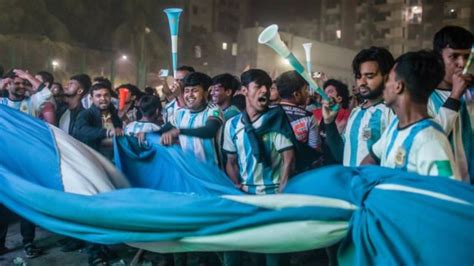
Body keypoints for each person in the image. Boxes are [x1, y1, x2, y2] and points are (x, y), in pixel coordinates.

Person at [362, 50, 460, 180]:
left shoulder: (430, 140)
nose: (383, 86)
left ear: (398, 86)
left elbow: (449, 192)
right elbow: (370, 159)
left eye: (388, 79)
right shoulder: (394, 126)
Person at [322, 47, 394, 166]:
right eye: (358, 76)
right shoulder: (356, 112)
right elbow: (340, 154)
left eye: (369, 76)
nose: (362, 82)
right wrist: (329, 122)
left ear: (387, 77)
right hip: (351, 183)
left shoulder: (391, 112)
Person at [429, 26, 473, 182]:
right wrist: (455, 95)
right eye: (454, 56)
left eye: (467, 57)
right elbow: (431, 138)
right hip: (448, 186)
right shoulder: (425, 97)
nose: (462, 63)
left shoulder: (472, 93)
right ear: (439, 59)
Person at [161, 72, 224, 166]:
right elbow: (162, 130)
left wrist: (179, 131)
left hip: (212, 175)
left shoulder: (213, 110)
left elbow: (209, 131)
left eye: (195, 90)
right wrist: (145, 133)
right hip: (189, 174)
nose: (190, 95)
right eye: (186, 91)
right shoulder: (180, 114)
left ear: (207, 92)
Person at [276, 70, 321, 154]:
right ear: (296, 94)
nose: (308, 93)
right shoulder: (308, 117)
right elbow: (315, 150)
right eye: (305, 90)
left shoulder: (269, 111)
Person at [74, 82, 123, 158]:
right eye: (98, 96)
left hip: (115, 158)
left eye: (106, 95)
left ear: (110, 97)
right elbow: (81, 130)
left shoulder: (114, 115)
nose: (103, 98)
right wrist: (107, 132)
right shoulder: (85, 114)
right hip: (94, 159)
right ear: (91, 99)